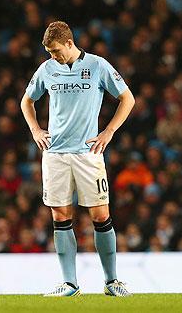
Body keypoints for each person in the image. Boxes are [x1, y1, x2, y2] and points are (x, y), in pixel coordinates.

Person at [20, 21, 135, 297]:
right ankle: (70, 284)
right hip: (55, 154)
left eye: (56, 50)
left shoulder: (97, 66)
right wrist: (36, 129)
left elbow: (127, 99)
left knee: (101, 215)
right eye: (49, 52)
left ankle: (112, 282)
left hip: (88, 153)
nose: (53, 56)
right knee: (60, 217)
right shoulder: (47, 69)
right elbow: (26, 101)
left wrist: (108, 131)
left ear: (69, 43)